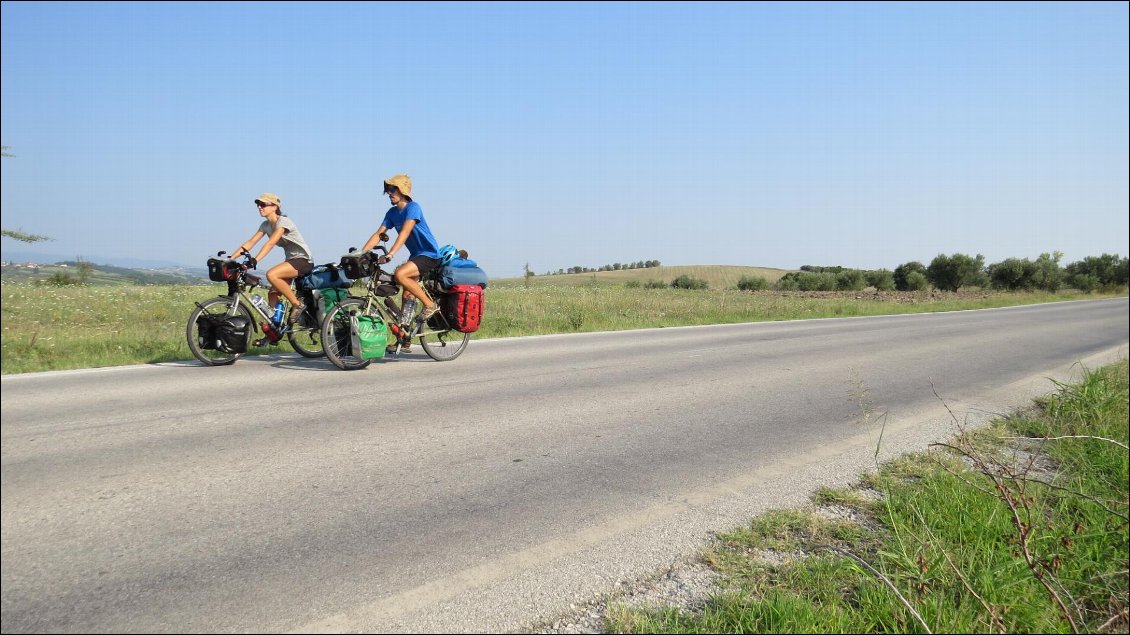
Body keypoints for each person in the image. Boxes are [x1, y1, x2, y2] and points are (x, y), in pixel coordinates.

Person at [360, 174, 443, 328]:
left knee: (400, 274)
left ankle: (430, 305)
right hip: (416, 256)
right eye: (388, 190)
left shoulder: (413, 207)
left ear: (402, 191)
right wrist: (361, 254)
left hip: (429, 254)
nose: (389, 193)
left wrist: (390, 254)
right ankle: (404, 337)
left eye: (393, 189)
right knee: (407, 295)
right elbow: (378, 234)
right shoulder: (391, 213)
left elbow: (405, 232)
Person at [230, 193, 314, 328]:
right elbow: (250, 242)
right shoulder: (265, 225)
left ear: (274, 207)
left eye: (263, 204)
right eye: (258, 204)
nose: (259, 207)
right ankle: (275, 329)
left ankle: (298, 305)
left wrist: (255, 260)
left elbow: (270, 243)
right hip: (291, 261)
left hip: (303, 260)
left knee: (271, 274)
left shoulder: (284, 222)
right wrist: (230, 259)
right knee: (273, 294)